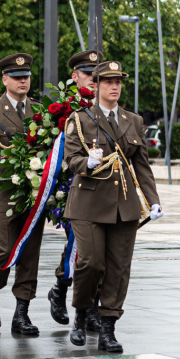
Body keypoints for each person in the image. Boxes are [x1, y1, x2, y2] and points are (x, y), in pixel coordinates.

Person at [62, 61, 163, 352]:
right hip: (88, 203)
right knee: (91, 262)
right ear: (96, 86)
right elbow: (70, 160)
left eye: (118, 82)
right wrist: (87, 162)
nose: (114, 87)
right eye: (108, 82)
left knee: (119, 268)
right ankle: (81, 313)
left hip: (124, 205)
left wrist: (153, 200)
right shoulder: (80, 120)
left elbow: (141, 165)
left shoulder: (133, 120)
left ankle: (108, 328)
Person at [0, 53, 45, 336]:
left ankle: (22, 313)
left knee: (30, 253)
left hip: (33, 195)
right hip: (4, 193)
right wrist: (14, 170)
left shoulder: (41, 111)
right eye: (16, 78)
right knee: (4, 250)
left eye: (26, 77)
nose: (22, 82)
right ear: (5, 80)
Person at [45, 50, 103, 325]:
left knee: (97, 250)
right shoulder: (64, 110)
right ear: (74, 76)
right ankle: (65, 291)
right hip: (69, 186)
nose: (93, 79)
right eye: (87, 74)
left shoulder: (106, 108)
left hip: (102, 188)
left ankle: (80, 299)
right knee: (79, 245)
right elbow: (50, 153)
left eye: (96, 74)